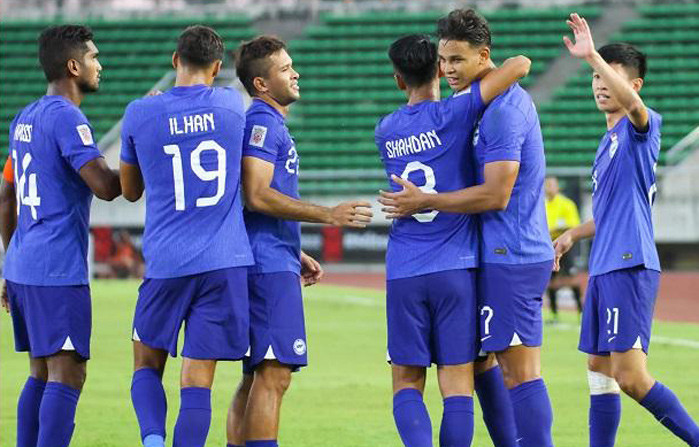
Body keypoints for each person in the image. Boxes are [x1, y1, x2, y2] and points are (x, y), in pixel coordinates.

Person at [379, 9, 556, 447]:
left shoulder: (495, 113)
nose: (450, 69)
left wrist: (426, 200)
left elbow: (495, 195)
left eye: (458, 59)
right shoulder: (459, 114)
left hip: (505, 255)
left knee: (518, 371)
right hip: (468, 262)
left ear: (482, 55)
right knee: (475, 369)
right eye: (444, 61)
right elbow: (519, 63)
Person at [556, 12, 699, 447]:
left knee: (632, 378)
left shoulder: (642, 126)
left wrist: (592, 55)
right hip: (602, 266)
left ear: (633, 85)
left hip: (628, 262)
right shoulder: (606, 144)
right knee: (599, 372)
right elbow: (609, 213)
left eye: (609, 78)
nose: (599, 84)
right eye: (596, 79)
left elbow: (636, 109)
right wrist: (572, 235)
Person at [226, 36, 373, 447]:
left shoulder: (267, 121)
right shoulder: (260, 123)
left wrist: (295, 249)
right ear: (261, 84)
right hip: (265, 266)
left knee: (256, 373)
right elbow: (256, 193)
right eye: (286, 68)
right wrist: (327, 214)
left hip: (271, 256)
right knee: (274, 375)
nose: (296, 73)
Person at [120, 25, 253, 447]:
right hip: (224, 260)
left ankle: (153, 440)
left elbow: (129, 190)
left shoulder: (140, 112)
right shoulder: (233, 104)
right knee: (198, 382)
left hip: (167, 261)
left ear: (175, 61)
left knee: (145, 363)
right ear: (217, 67)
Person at [0, 24, 120, 447]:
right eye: (93, 57)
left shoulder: (24, 117)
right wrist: (143, 156)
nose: (99, 66)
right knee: (68, 371)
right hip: (56, 268)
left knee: (40, 370)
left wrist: (9, 261)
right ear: (73, 66)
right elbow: (104, 187)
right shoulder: (68, 118)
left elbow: (5, 195)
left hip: (22, 265)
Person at [544, 176, 582, 322]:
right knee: (551, 281)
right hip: (550, 246)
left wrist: (555, 229)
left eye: (551, 185)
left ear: (557, 187)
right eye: (547, 185)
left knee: (572, 279)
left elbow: (574, 224)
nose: (549, 188)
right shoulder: (543, 205)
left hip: (566, 247)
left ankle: (581, 312)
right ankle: (554, 315)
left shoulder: (567, 204)